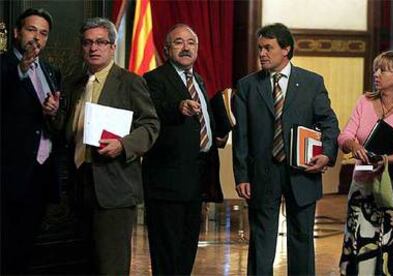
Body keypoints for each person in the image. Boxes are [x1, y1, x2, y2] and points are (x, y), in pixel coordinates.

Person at [232, 23, 339, 275]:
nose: (262, 54)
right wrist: (242, 175)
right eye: (260, 48)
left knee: (301, 237)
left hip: (302, 171)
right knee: (261, 240)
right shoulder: (247, 86)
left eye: (268, 48)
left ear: (286, 49)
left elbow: (329, 123)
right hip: (263, 173)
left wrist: (326, 153)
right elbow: (241, 135)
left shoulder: (312, 82)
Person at [63, 17, 159, 275]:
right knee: (85, 264)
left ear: (112, 46)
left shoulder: (129, 81)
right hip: (79, 185)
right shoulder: (74, 84)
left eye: (100, 42)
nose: (93, 48)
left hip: (114, 186)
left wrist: (123, 145)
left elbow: (150, 125)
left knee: (111, 267)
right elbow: (65, 131)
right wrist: (52, 113)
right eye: (87, 43)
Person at [142, 23, 226, 275]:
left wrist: (215, 135)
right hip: (166, 183)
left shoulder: (198, 79)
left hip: (196, 180)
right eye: (179, 42)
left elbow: (202, 122)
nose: (186, 47)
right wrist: (178, 108)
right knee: (167, 252)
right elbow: (152, 114)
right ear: (167, 49)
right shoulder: (153, 79)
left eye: (191, 42)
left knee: (187, 248)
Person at [338, 51, 393, 275]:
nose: (376, 74)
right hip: (362, 187)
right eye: (376, 69)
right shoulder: (364, 101)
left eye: (383, 70)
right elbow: (345, 135)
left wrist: (385, 161)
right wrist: (353, 145)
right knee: (360, 249)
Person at [1, 8, 62, 274]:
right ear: (17, 32)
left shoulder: (50, 70)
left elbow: (50, 120)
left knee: (26, 245)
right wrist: (21, 69)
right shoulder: (4, 65)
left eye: (43, 33)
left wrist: (53, 112)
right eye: (31, 30)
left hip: (40, 173)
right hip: (8, 173)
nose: (37, 37)